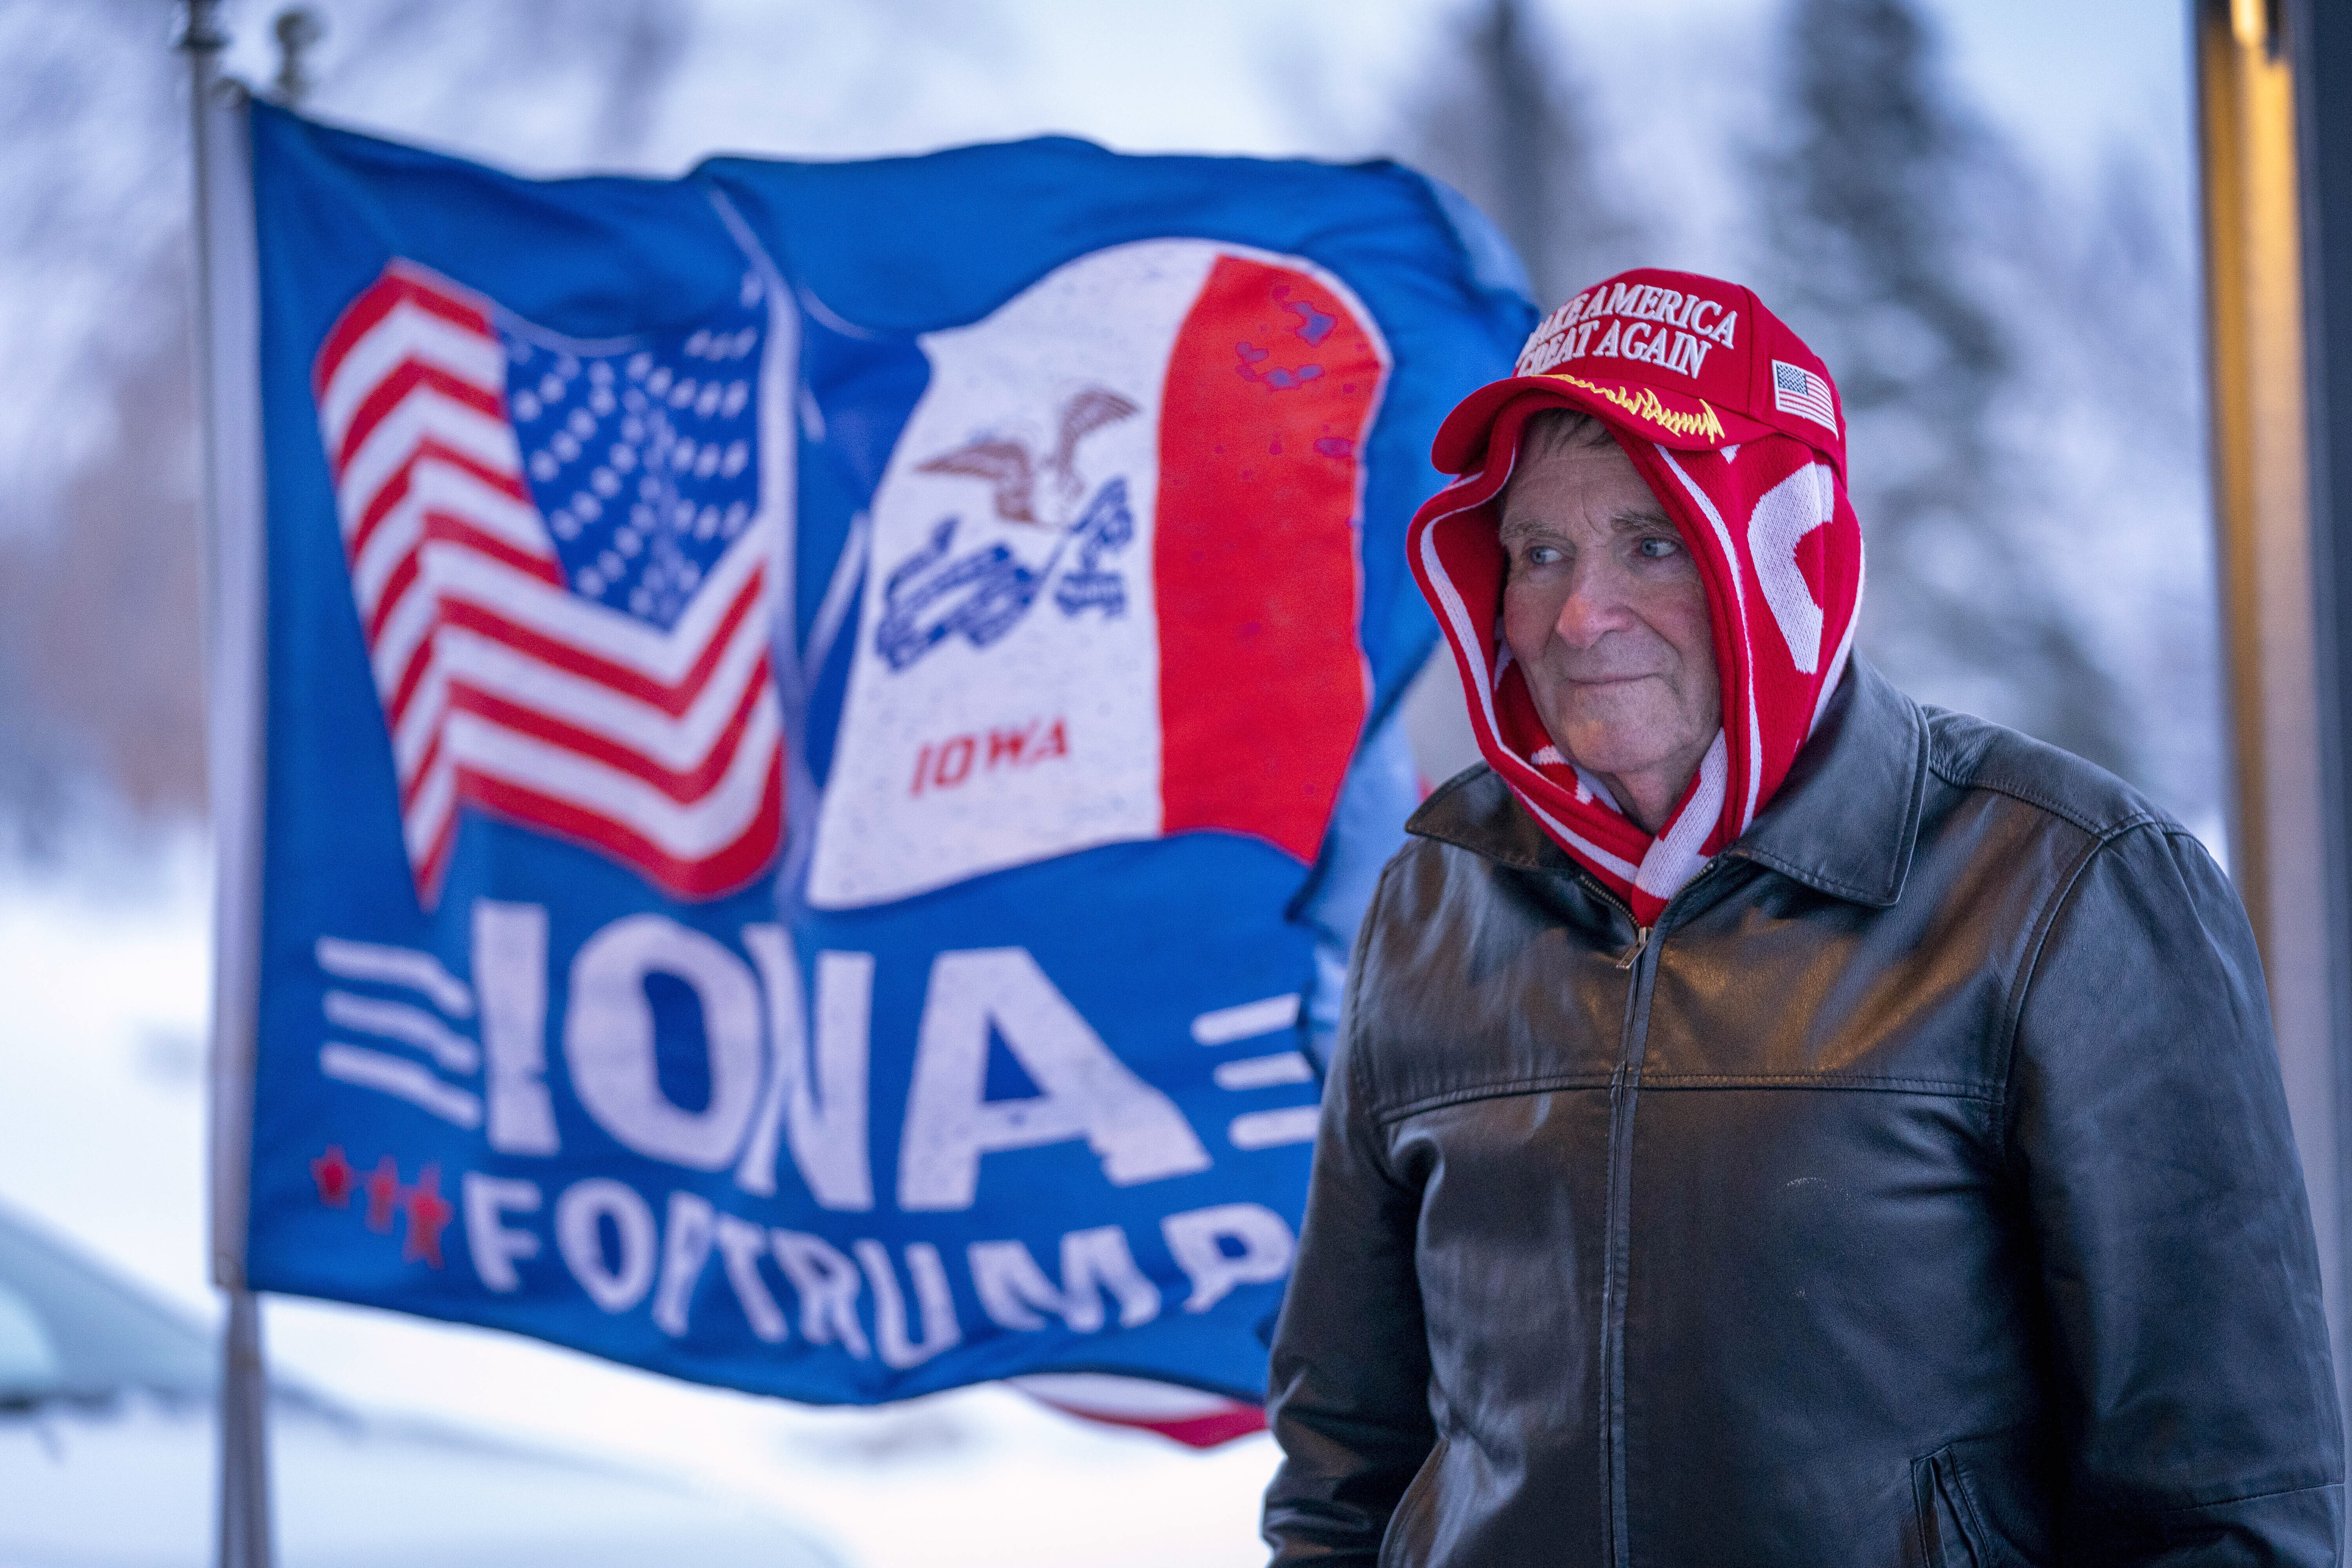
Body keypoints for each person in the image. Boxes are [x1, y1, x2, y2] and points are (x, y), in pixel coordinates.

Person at [1261, 267, 2345, 1566]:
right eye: (1540, 551)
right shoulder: (1434, 894)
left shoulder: (2066, 880)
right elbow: (1346, 1458)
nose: (1578, 612)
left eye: (1654, 543)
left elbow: (2226, 1501)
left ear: (1778, 554)